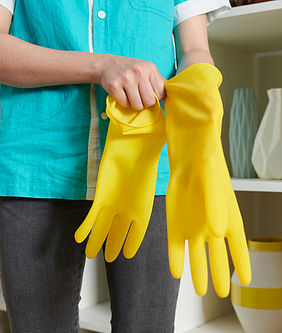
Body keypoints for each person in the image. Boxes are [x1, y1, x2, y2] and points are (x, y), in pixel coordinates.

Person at [0, 0, 231, 332]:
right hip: (35, 166)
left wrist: (201, 79)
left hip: (149, 168)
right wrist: (101, 66)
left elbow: (194, 48)